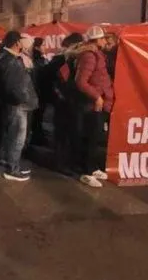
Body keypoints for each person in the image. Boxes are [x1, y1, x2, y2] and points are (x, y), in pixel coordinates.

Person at [72, 26, 115, 188]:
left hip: (99, 104)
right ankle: (87, 172)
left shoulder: (96, 54)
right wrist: (97, 97)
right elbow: (81, 81)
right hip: (93, 106)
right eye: (103, 38)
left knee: (95, 138)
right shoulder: (89, 56)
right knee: (91, 138)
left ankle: (92, 168)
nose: (105, 41)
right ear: (96, 40)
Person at [0, 30, 38, 181]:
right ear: (17, 43)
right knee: (17, 137)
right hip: (17, 106)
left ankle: (11, 164)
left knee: (13, 136)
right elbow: (12, 86)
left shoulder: (5, 58)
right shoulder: (10, 60)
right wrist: (23, 99)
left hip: (14, 105)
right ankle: (12, 169)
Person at [39, 32, 84, 164]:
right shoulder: (64, 59)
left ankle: (63, 159)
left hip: (63, 99)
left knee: (64, 131)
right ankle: (63, 160)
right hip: (65, 99)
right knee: (66, 131)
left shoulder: (63, 58)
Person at [29, 37, 50, 145]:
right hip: (38, 92)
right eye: (43, 45)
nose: (45, 47)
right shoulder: (37, 60)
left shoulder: (40, 59)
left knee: (37, 117)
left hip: (39, 92)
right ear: (37, 47)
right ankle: (36, 138)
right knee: (37, 117)